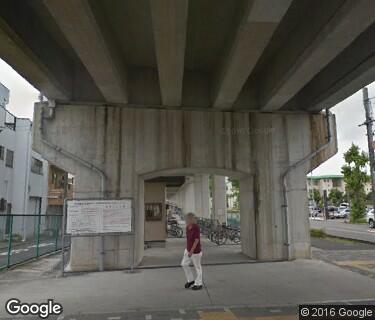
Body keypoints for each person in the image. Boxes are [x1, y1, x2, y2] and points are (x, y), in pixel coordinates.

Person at [181, 212, 203, 290]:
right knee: (184, 264)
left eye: (187, 218)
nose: (186, 220)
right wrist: (187, 249)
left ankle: (199, 283)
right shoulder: (187, 227)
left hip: (196, 251)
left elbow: (196, 240)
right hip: (188, 249)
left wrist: (191, 251)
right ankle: (191, 280)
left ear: (191, 219)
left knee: (197, 267)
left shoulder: (196, 227)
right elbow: (188, 239)